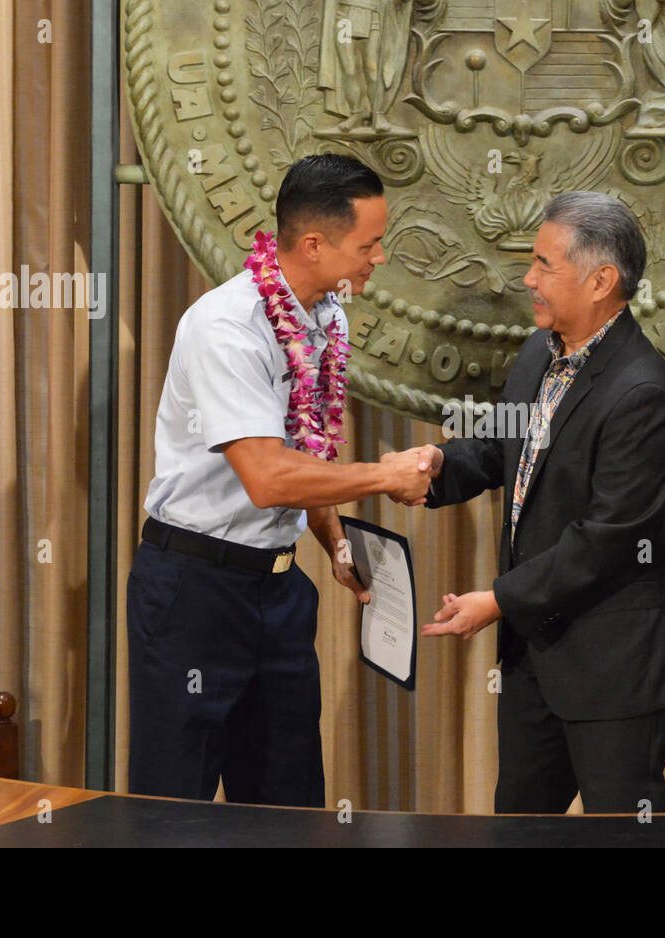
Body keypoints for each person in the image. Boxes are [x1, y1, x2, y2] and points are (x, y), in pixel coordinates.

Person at [127, 154, 433, 807]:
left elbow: (306, 451)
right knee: (173, 804)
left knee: (286, 801)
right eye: (369, 244)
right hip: (194, 595)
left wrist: (337, 546)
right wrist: (383, 475)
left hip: (279, 594)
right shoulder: (226, 326)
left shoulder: (326, 317)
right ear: (315, 244)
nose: (378, 258)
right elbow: (267, 477)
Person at [410, 191, 665, 815]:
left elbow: (606, 539)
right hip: (536, 659)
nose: (528, 279)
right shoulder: (538, 353)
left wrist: (496, 600)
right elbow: (500, 448)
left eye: (545, 264)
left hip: (617, 669)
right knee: (519, 827)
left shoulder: (640, 392)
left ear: (602, 281)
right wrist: (436, 468)